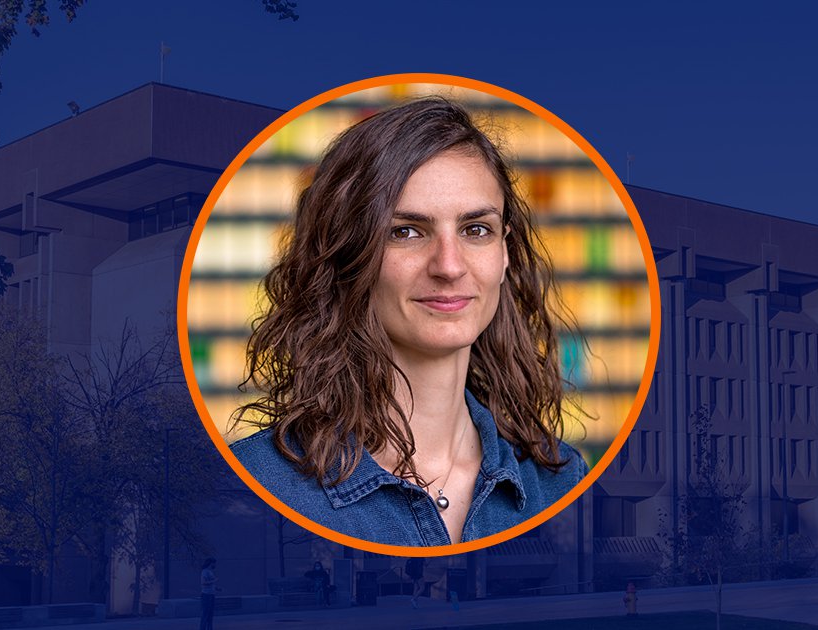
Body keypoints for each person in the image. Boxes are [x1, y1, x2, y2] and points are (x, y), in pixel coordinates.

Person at [230, 96, 588, 546]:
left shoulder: (560, 481)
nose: (449, 265)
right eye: (406, 231)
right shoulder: (255, 481)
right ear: (348, 255)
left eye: (476, 229)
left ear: (504, 253)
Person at [198, 558, 216, 630]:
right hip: (206, 595)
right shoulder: (204, 571)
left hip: (211, 595)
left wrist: (216, 588)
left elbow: (211, 583)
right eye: (213, 563)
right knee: (205, 614)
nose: (214, 565)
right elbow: (203, 582)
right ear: (210, 563)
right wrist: (214, 581)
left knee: (210, 614)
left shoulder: (210, 571)